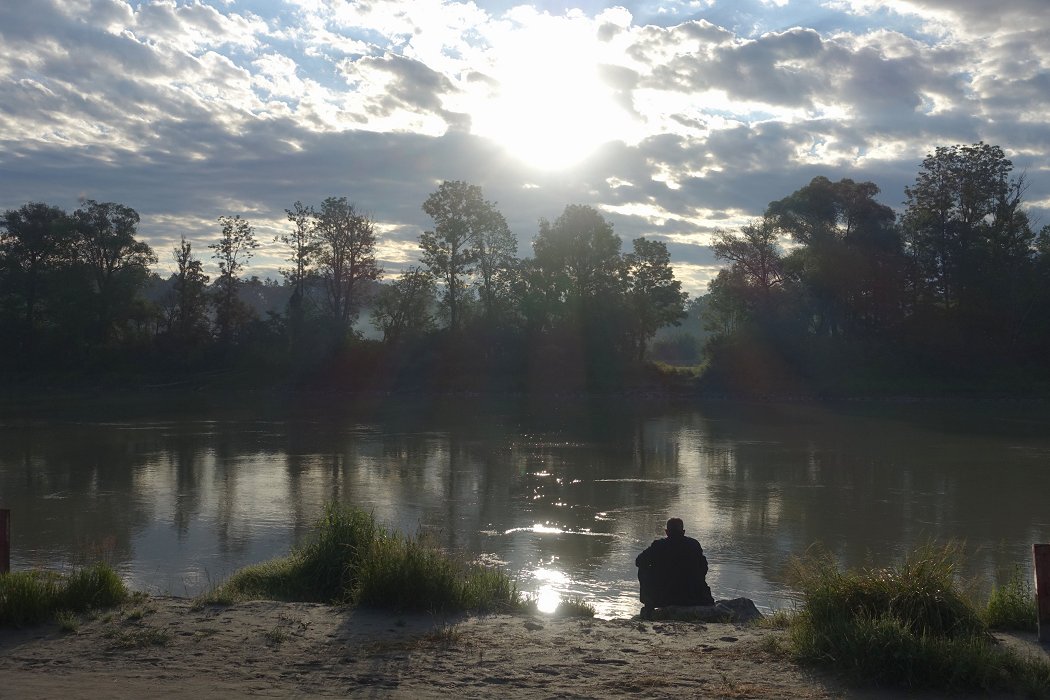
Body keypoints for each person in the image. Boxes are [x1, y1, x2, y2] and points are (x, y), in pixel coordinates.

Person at [635, 517, 714, 617]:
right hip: (693, 597)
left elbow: (639, 561)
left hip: (663, 598)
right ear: (683, 532)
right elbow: (704, 568)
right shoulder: (694, 544)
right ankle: (698, 592)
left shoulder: (658, 545)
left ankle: (649, 603)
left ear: (667, 532)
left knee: (643, 568)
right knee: (700, 565)